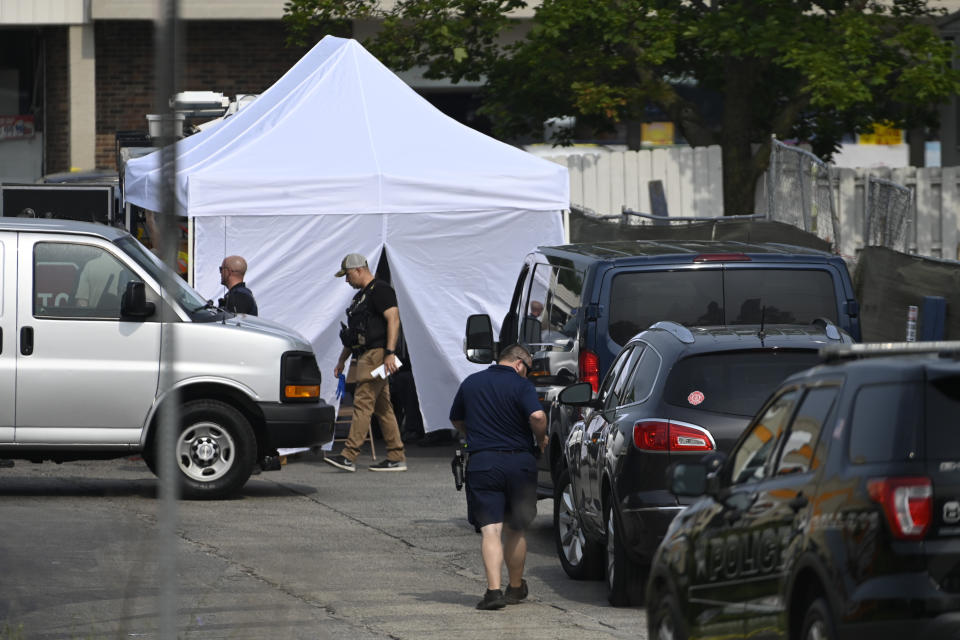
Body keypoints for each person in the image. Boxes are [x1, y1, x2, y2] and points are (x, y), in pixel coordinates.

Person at [448, 344, 548, 610]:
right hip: (520, 463)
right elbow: (537, 416)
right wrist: (541, 438)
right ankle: (515, 589)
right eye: (527, 370)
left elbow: (456, 419)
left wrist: (475, 434)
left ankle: (493, 592)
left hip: (483, 463)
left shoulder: (471, 383)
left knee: (490, 529)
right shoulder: (521, 385)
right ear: (519, 364)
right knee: (516, 529)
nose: (526, 375)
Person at [325, 253, 407, 472]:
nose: (346, 280)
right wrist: (342, 360)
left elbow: (393, 319)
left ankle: (349, 455)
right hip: (367, 355)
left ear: (359, 269)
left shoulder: (380, 290)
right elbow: (353, 334)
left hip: (377, 355)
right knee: (383, 407)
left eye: (348, 274)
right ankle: (396, 455)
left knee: (363, 401)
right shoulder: (361, 297)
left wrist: (390, 353)